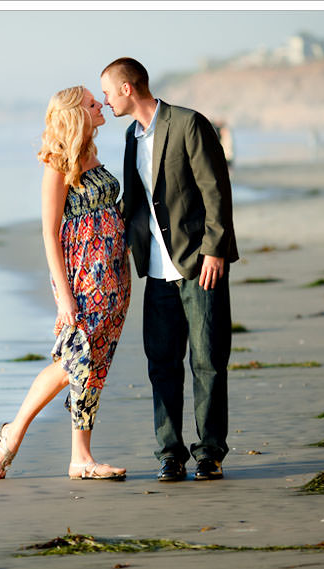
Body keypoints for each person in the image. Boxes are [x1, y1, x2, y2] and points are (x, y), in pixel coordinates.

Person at [100, 57, 238, 482]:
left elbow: (215, 188)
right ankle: (170, 454)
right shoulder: (129, 138)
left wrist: (215, 250)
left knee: (208, 361)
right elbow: (136, 202)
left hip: (199, 266)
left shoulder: (188, 124)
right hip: (156, 273)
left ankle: (210, 453)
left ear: (127, 88)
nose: (104, 101)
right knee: (161, 363)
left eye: (106, 92)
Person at [0, 85, 131, 481]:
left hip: (114, 276)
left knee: (92, 364)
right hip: (81, 279)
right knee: (77, 362)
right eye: (91, 102)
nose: (100, 104)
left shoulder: (94, 154)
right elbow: (49, 233)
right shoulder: (56, 163)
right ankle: (29, 438)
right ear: (75, 114)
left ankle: (74, 455)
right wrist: (64, 296)